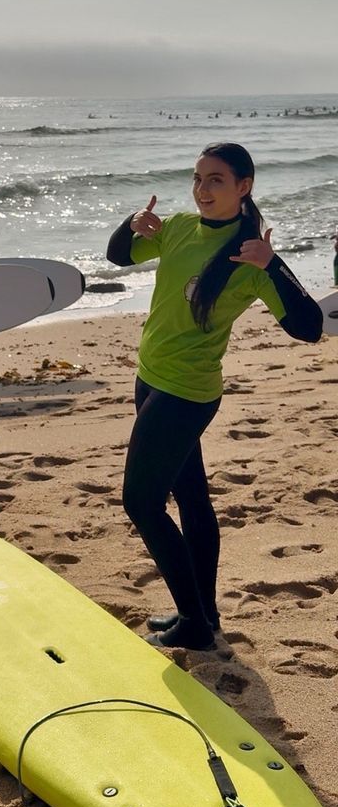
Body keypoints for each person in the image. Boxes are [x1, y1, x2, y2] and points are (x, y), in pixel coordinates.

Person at [106, 142, 323, 651]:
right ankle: (205, 615)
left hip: (186, 393)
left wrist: (274, 265)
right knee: (191, 498)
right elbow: (117, 256)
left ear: (244, 187)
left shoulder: (251, 256)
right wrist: (130, 223)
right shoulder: (180, 226)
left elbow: (309, 327)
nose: (203, 190)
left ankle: (195, 623)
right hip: (150, 378)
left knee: (140, 501)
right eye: (198, 178)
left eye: (216, 180)